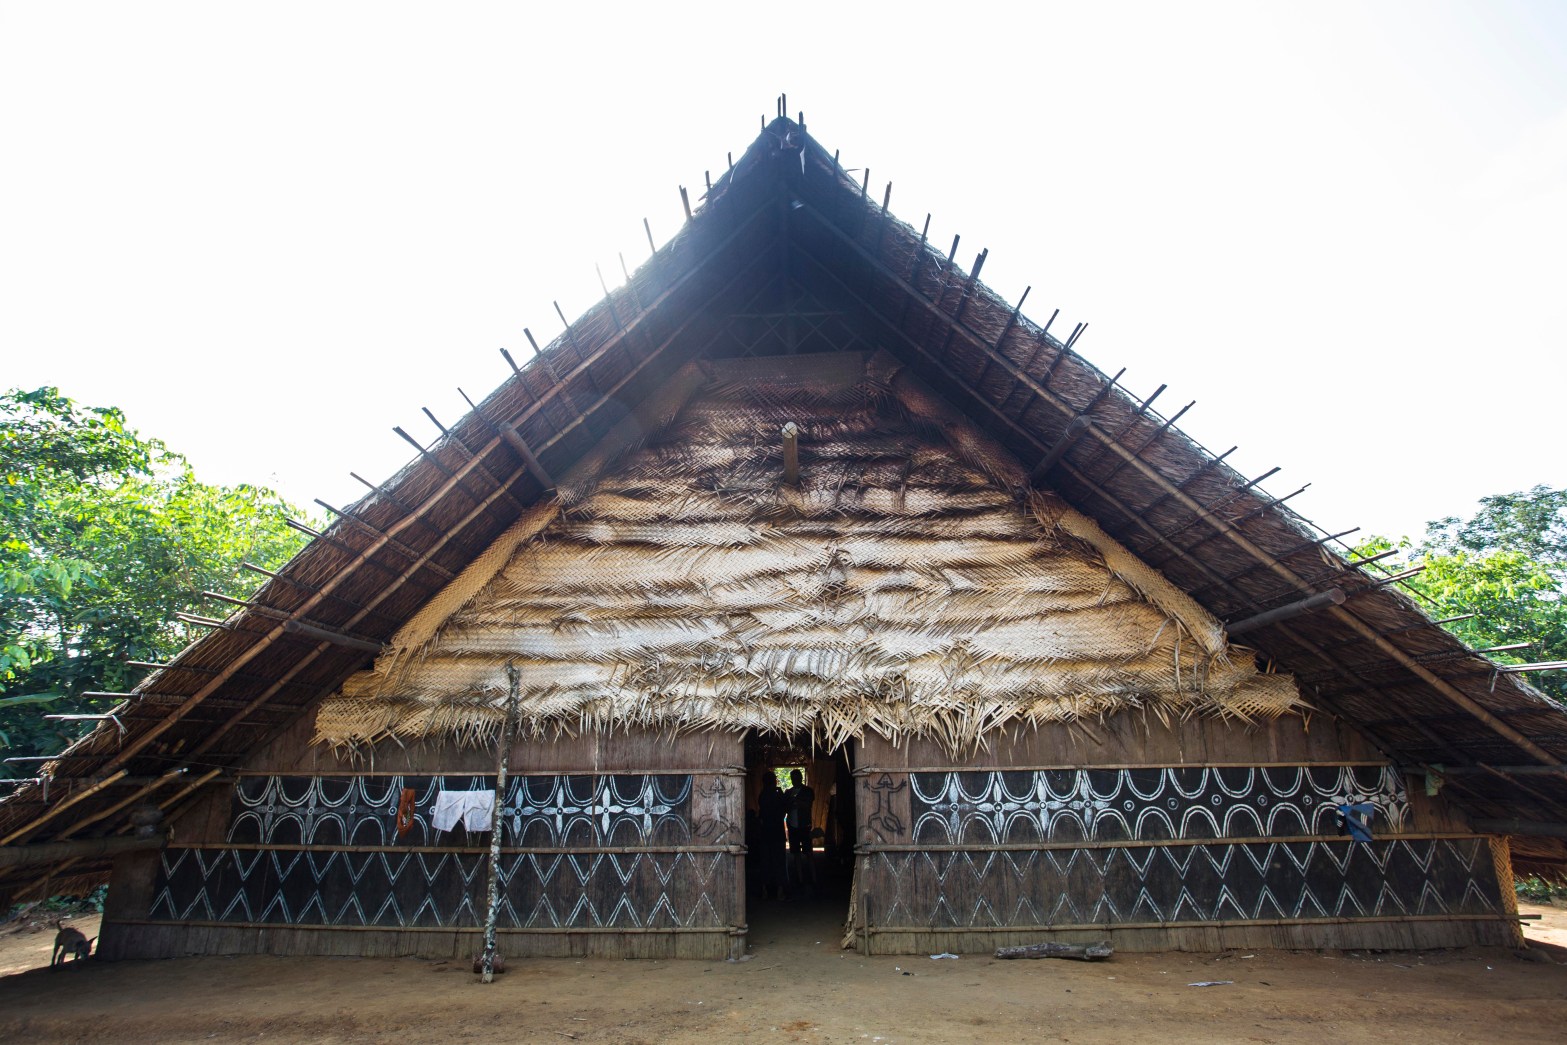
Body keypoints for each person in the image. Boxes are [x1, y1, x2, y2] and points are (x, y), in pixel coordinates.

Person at [755, 772, 788, 899]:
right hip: (777, 832)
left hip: (765, 832)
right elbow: (784, 809)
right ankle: (780, 891)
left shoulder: (762, 795)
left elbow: (762, 813)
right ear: (774, 781)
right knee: (779, 861)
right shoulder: (777, 795)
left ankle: (764, 890)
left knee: (765, 861)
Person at [785, 769, 816, 890]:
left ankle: (814, 878)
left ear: (801, 778)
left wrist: (796, 802)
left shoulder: (808, 791)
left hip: (804, 826)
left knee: (808, 852)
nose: (794, 780)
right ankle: (800, 879)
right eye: (793, 778)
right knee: (796, 853)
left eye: (796, 778)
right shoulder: (789, 792)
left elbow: (808, 805)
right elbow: (786, 807)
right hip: (792, 826)